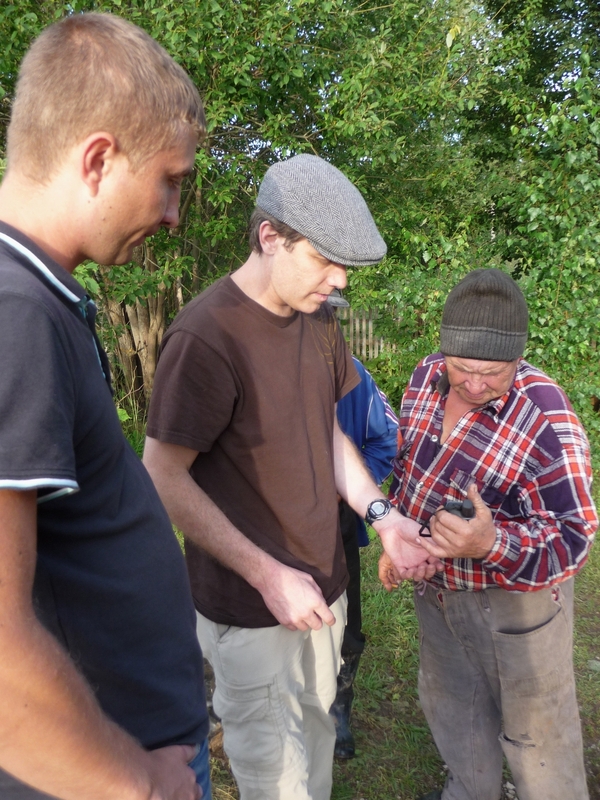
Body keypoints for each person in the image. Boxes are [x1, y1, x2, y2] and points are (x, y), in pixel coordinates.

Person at [143, 154, 438, 800]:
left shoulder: (321, 321)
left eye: (346, 269)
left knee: (318, 745)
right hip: (253, 609)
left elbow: (327, 432)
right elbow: (162, 475)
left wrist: (382, 517)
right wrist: (266, 573)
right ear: (270, 237)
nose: (338, 283)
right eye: (325, 261)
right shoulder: (206, 337)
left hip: (322, 593)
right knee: (278, 783)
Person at [0, 13, 211, 800]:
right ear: (98, 159)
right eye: (170, 180)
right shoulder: (15, 312)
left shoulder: (41, 299)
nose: (173, 215)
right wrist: (135, 780)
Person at [380, 268, 598, 800]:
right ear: (443, 350)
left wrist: (490, 544)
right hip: (439, 595)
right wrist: (400, 539)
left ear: (519, 357)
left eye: (493, 371)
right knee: (454, 708)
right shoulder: (425, 376)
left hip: (516, 611)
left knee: (538, 742)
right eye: (463, 367)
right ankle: (469, 791)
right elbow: (413, 473)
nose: (475, 383)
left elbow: (575, 535)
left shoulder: (547, 417)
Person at [330, 354, 399, 759]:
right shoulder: (248, 358)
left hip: (333, 522)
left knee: (345, 623)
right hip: (269, 524)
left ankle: (339, 709)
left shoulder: (352, 373)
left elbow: (387, 437)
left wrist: (351, 489)